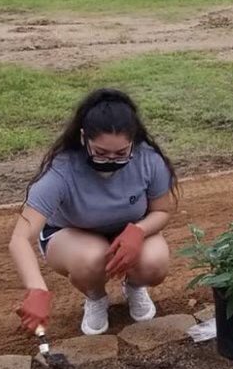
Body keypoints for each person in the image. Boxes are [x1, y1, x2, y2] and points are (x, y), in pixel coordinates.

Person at [10, 88, 178, 337]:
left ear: (133, 141)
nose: (111, 159)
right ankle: (96, 296)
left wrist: (139, 230)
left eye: (121, 153)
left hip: (128, 229)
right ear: (83, 138)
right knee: (91, 258)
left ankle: (134, 287)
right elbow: (20, 238)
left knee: (154, 262)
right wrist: (36, 290)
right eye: (101, 152)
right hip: (73, 235)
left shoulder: (149, 160)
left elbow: (161, 211)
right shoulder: (61, 171)